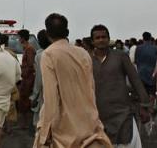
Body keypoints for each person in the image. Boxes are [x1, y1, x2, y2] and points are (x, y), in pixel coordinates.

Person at [33, 13, 112, 148]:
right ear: (67, 32)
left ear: (47, 34)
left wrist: (44, 133)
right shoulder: (83, 53)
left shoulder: (49, 54)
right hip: (89, 124)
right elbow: (91, 88)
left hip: (64, 129)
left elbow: (50, 97)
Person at [91, 24, 150, 147]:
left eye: (104, 37)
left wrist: (144, 105)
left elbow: (135, 80)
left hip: (122, 112)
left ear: (108, 39)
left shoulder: (120, 56)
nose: (101, 40)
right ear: (92, 41)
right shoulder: (87, 60)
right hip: (98, 114)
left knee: (127, 141)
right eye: (97, 38)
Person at [30, 29, 50, 128]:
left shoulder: (40, 55)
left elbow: (39, 78)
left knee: (39, 122)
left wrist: (34, 96)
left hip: (45, 92)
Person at [18, 29, 36, 129]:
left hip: (27, 78)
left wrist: (24, 73)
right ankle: (24, 124)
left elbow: (30, 65)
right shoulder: (26, 48)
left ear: (23, 38)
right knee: (23, 100)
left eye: (19, 37)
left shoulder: (29, 49)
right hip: (25, 77)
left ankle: (26, 124)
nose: (18, 39)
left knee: (25, 100)